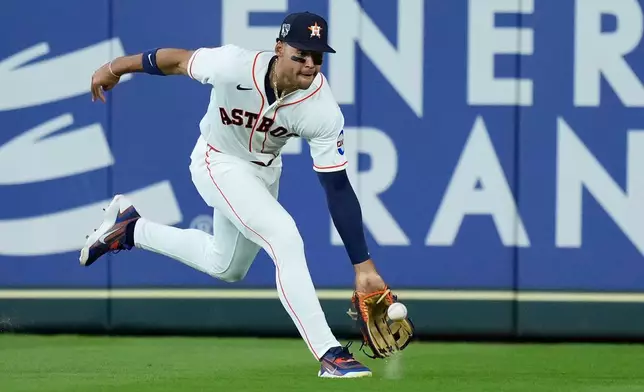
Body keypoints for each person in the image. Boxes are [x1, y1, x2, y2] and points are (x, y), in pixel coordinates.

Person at [82, 11, 388, 378]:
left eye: (317, 56)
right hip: (217, 160)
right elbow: (176, 60)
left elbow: (337, 187)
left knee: (226, 265)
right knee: (284, 236)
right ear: (279, 49)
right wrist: (115, 67)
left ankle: (130, 229)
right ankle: (330, 353)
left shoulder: (322, 109)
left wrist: (364, 267)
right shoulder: (233, 65)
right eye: (300, 54)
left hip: (263, 171)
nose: (310, 64)